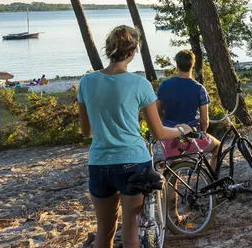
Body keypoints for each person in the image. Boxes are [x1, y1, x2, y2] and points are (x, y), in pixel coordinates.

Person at [78, 25, 190, 248]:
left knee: (105, 231)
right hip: (132, 163)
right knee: (130, 230)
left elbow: (86, 131)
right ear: (133, 51)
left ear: (109, 49)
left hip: (99, 163)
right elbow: (158, 132)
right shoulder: (139, 84)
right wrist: (181, 130)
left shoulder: (87, 82)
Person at [156, 49, 220, 170]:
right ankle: (212, 183)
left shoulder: (164, 86)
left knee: (173, 172)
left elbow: (157, 110)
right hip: (190, 135)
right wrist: (202, 133)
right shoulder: (199, 89)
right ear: (193, 64)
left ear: (177, 65)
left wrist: (164, 121)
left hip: (169, 134)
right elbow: (204, 120)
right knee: (218, 148)